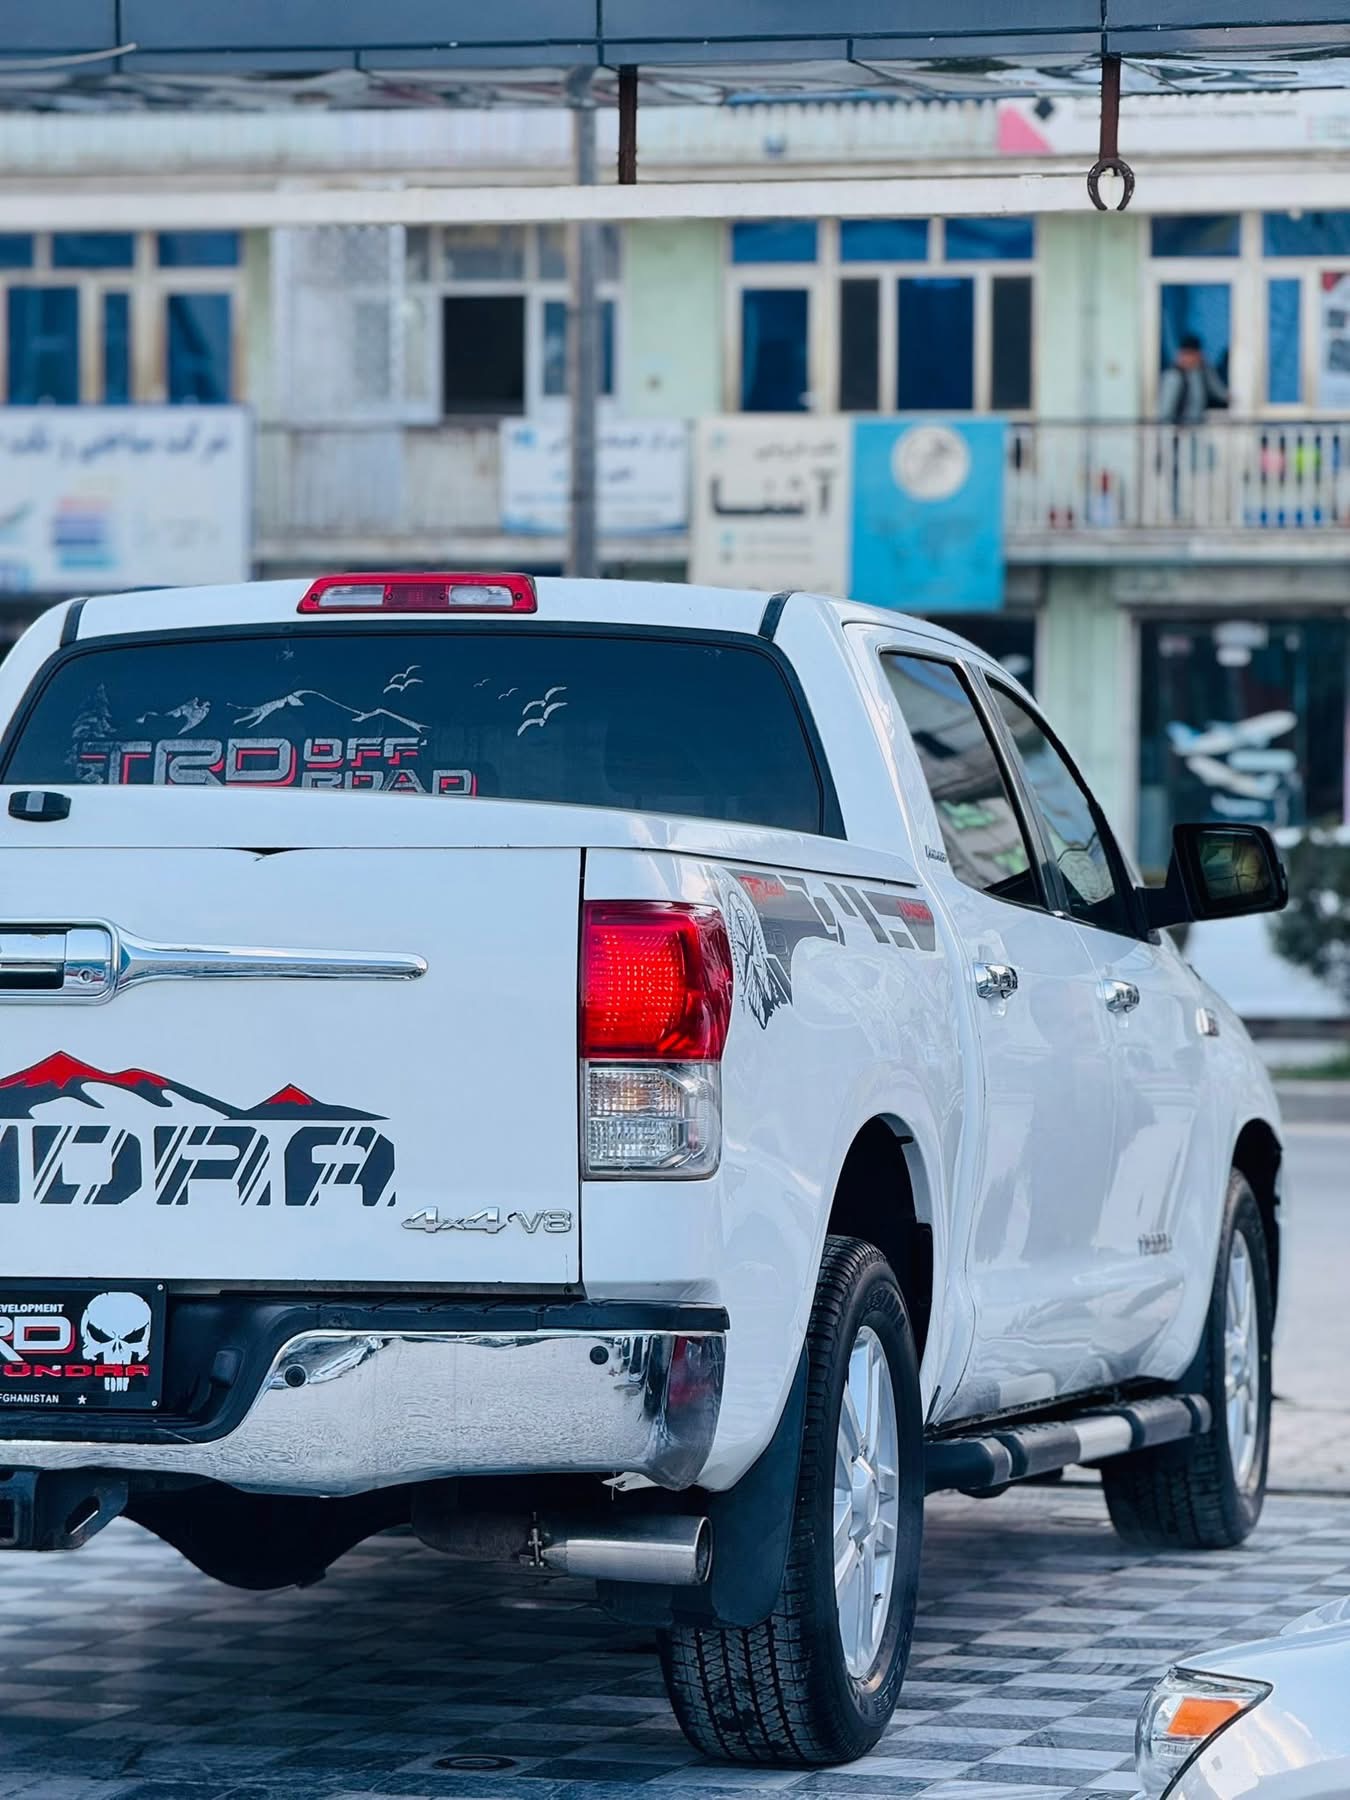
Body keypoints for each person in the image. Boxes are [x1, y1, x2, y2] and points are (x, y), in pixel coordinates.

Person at [1159, 332, 1229, 423]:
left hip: (1196, 424)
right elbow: (1166, 408)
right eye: (1187, 354)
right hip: (1178, 427)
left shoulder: (1202, 371)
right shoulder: (1173, 376)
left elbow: (1218, 390)